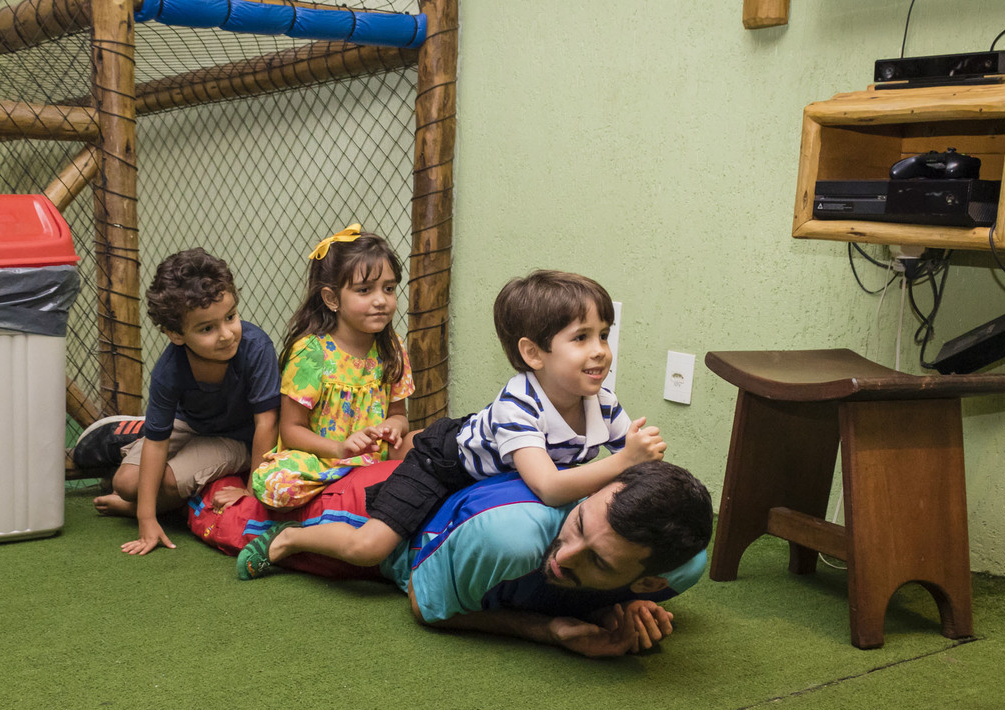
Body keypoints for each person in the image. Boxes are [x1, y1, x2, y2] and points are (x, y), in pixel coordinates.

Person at [237, 269, 665, 580]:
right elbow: (550, 487)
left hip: (480, 450)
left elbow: (637, 468)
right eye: (581, 338)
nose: (600, 350)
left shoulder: (602, 402)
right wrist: (624, 460)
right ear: (534, 354)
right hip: (440, 464)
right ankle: (289, 538)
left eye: (603, 335)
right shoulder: (518, 405)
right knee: (368, 548)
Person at [198, 460, 712, 657]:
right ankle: (281, 529)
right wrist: (548, 631)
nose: (564, 557)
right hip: (381, 514)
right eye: (578, 523)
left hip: (458, 515)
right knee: (220, 515)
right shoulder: (511, 538)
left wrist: (610, 607)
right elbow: (426, 605)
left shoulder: (683, 567)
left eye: (599, 563)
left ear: (649, 582)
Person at [90, 248, 281, 555]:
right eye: (207, 328)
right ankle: (141, 484)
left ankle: (142, 504)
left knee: (166, 482)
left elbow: (267, 423)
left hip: (239, 438)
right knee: (124, 483)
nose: (226, 334)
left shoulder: (256, 348)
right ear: (176, 334)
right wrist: (146, 518)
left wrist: (250, 490)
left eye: (230, 317)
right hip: (191, 423)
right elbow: (157, 443)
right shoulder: (169, 369)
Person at [249, 225, 414, 509]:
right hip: (319, 460)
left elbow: (399, 415)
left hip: (374, 457)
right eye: (365, 290)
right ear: (332, 299)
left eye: (388, 289)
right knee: (275, 484)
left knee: (424, 445)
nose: (381, 300)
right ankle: (347, 496)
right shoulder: (311, 352)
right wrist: (341, 448)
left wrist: (392, 427)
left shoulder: (393, 347)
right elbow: (291, 430)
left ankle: (346, 496)